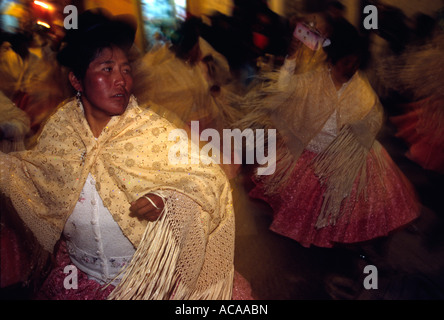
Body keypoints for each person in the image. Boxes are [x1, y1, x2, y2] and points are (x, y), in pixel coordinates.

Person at [0, 9, 235, 300]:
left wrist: (170, 199)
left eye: (126, 69)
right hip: (80, 278)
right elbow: (37, 174)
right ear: (77, 81)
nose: (121, 80)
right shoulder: (60, 132)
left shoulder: (152, 130)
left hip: (148, 284)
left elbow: (208, 178)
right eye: (107, 69)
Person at [235, 18, 420, 249]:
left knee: (352, 211)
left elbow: (373, 117)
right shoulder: (314, 80)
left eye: (356, 63)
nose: (351, 68)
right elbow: (284, 92)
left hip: (348, 158)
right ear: (332, 60)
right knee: (309, 208)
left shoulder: (360, 86)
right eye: (346, 63)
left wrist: (353, 142)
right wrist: (291, 60)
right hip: (315, 154)